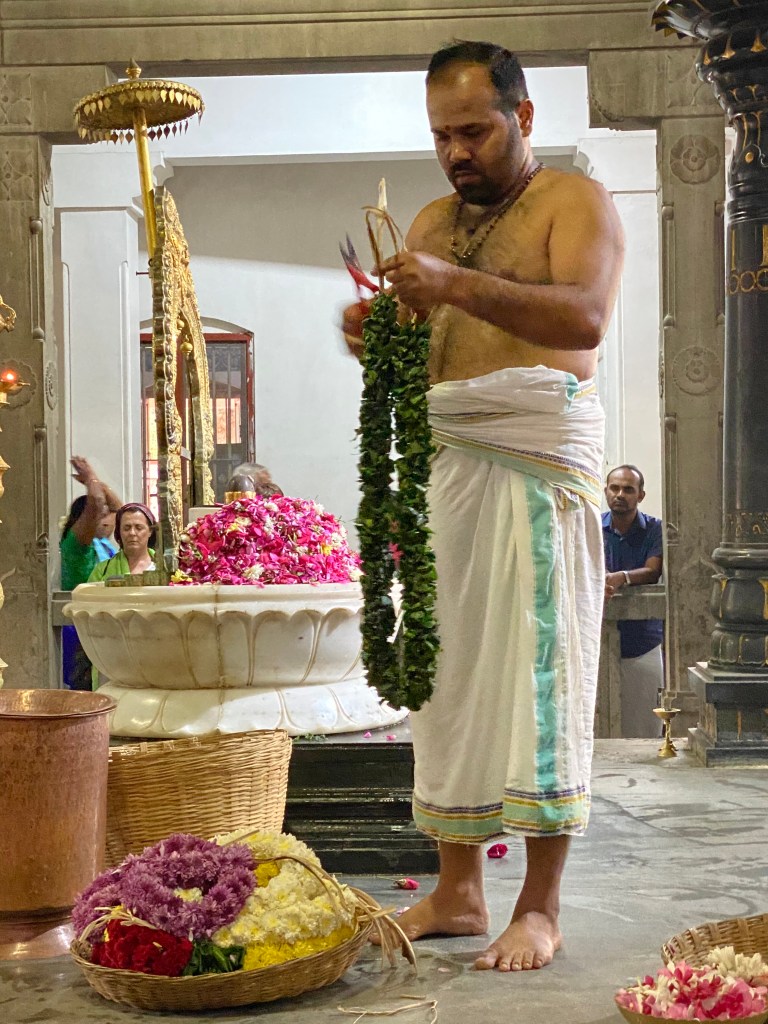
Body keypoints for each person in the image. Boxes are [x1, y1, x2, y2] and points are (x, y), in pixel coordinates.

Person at [341, 41, 624, 972]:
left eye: (473, 130)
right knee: (447, 682)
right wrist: (372, 332)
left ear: (523, 117)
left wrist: (454, 283)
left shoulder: (575, 202)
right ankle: (459, 891)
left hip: (535, 464)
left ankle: (540, 907)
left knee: (541, 678)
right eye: (441, 135)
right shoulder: (429, 219)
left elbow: (584, 318)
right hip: (451, 466)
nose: (455, 151)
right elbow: (426, 344)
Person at [602, 464, 664, 738]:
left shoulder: (655, 528)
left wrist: (621, 577)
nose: (620, 494)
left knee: (645, 728)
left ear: (640, 495)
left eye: (628, 489)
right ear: (605, 491)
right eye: (614, 488)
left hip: (643, 642)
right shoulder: (592, 526)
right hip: (599, 642)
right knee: (600, 731)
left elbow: (653, 571)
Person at [60, 456, 122, 689]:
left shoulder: (103, 543)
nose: (107, 520)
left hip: (104, 628)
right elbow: (96, 504)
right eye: (99, 515)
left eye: (107, 514)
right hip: (81, 633)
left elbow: (123, 512)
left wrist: (100, 486)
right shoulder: (76, 545)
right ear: (82, 521)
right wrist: (91, 479)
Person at [88, 503, 157, 582]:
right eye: (126, 528)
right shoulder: (102, 571)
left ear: (150, 531)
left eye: (139, 528)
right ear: (119, 532)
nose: (132, 533)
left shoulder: (164, 568)